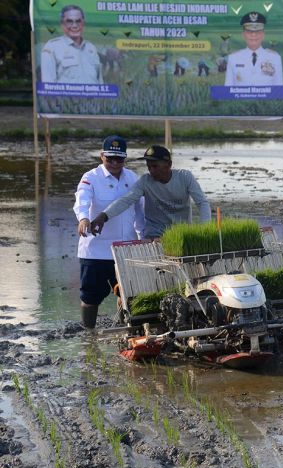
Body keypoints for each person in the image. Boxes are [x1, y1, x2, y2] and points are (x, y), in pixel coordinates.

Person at [73, 136, 144, 328]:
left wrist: (143, 238)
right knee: (90, 296)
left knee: (129, 292)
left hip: (126, 249)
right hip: (96, 249)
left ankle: (126, 329)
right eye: (110, 158)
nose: (114, 163)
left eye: (119, 159)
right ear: (101, 155)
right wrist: (83, 218)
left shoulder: (132, 178)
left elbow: (140, 211)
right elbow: (82, 200)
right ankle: (89, 336)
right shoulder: (91, 177)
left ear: (125, 159)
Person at [89, 145, 211, 240]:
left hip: (182, 234)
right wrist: (103, 216)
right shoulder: (145, 181)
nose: (151, 170)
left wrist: (203, 229)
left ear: (169, 164)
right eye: (148, 167)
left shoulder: (185, 177)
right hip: (154, 236)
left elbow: (202, 203)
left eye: (155, 166)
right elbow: (126, 200)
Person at [40, 5, 103, 84]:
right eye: (69, 21)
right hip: (67, 97)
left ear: (83, 23)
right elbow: (48, 85)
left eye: (78, 21)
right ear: (62, 24)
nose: (75, 25)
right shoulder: (52, 47)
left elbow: (100, 82)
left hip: (94, 96)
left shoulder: (91, 48)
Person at [224, 11, 283, 86]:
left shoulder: (275, 58)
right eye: (249, 31)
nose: (254, 35)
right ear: (243, 34)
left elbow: (278, 90)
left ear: (263, 34)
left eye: (258, 31)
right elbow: (228, 89)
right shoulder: (233, 58)